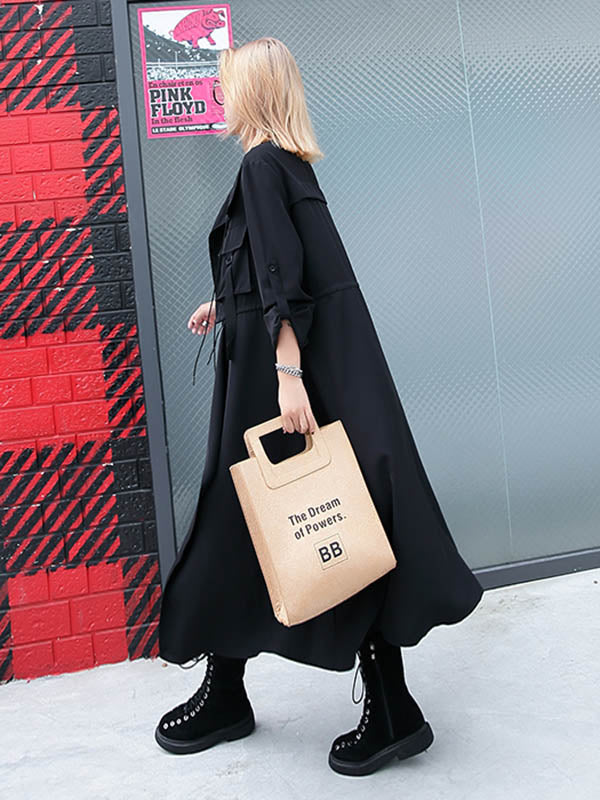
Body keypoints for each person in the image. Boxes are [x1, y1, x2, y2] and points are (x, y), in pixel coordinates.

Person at [154, 37, 484, 777]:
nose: (220, 96)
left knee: (282, 523)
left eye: (228, 84)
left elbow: (287, 279)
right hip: (288, 369)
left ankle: (355, 705)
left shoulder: (261, 166)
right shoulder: (287, 166)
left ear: (252, 92)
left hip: (277, 382)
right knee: (307, 522)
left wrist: (286, 373)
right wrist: (226, 305)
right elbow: (279, 270)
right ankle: (341, 701)